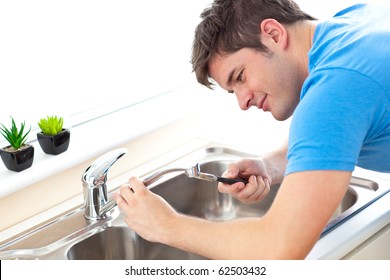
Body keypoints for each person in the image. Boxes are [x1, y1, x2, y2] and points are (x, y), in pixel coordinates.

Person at [114, 0, 390, 259]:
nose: (243, 101)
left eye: (240, 76)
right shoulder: (355, 22)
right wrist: (270, 166)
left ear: (272, 33)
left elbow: (280, 248)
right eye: (233, 90)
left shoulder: (334, 91)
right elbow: (333, 131)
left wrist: (165, 225)